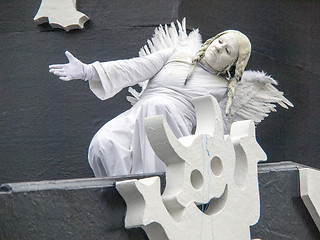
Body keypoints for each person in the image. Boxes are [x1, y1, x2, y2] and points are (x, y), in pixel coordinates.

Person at [49, 19, 292, 177]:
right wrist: (87, 71)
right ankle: (120, 195)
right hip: (139, 114)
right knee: (103, 144)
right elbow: (133, 68)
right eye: (219, 40)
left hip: (175, 130)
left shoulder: (224, 90)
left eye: (227, 50)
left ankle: (154, 186)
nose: (218, 47)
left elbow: (217, 132)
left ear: (233, 63)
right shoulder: (175, 55)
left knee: (158, 108)